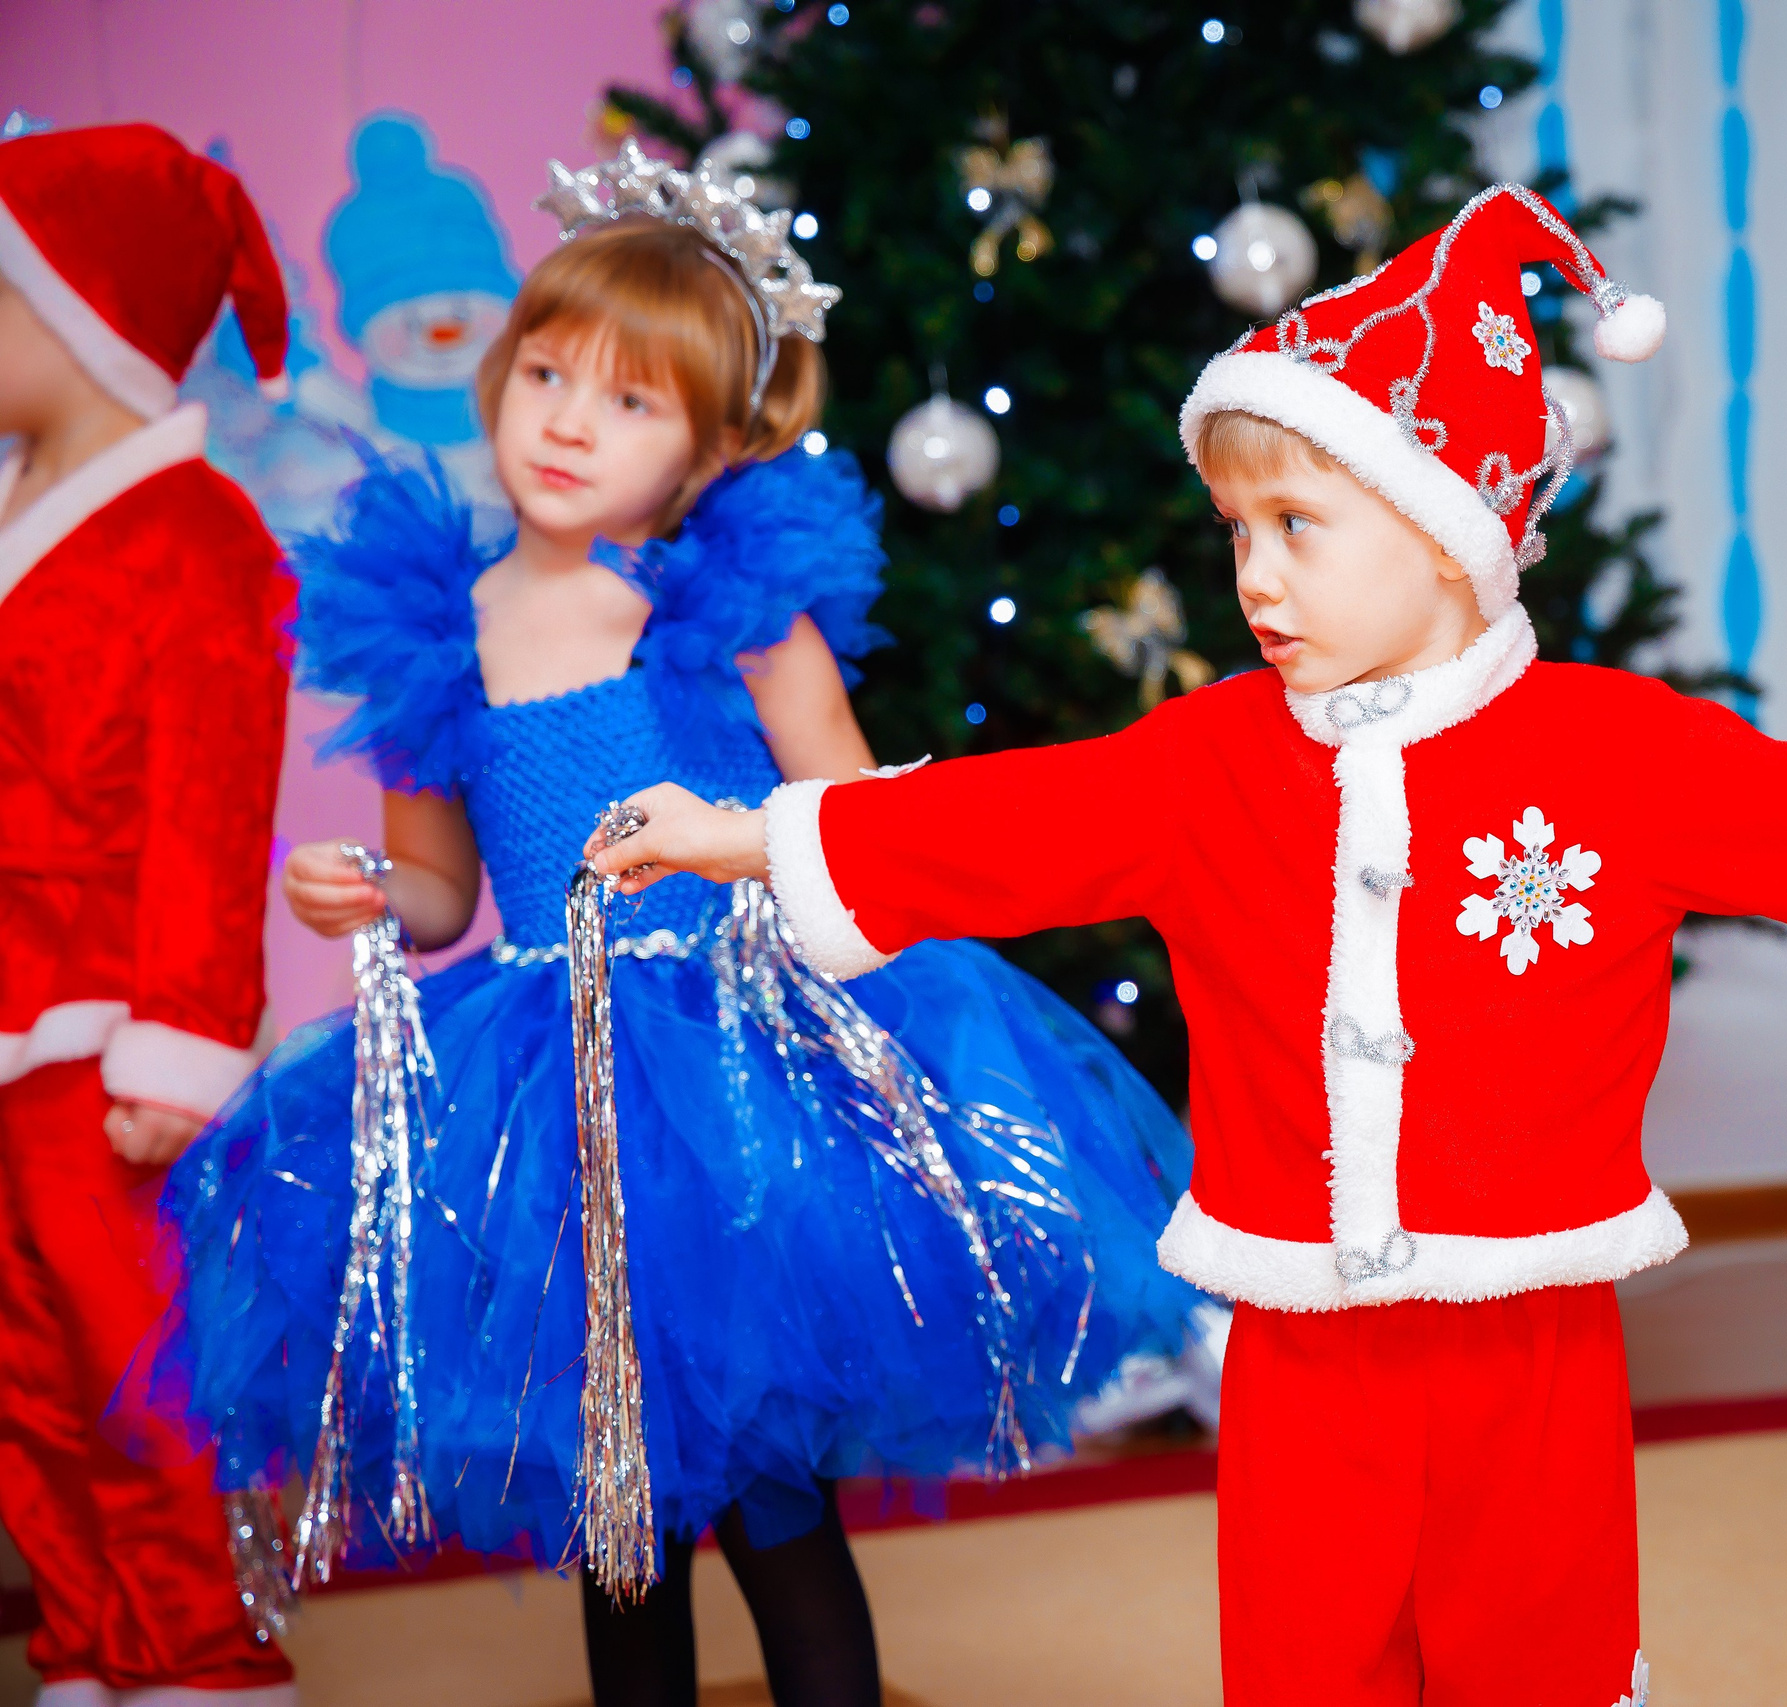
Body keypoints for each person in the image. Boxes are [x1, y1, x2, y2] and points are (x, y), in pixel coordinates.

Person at [589, 185, 1787, 1707]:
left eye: (1298, 529)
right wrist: (740, 834)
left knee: (1536, 1648)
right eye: (1237, 535)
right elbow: (997, 824)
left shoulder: (1615, 751)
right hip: (1297, 1343)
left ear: (1447, 537)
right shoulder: (1206, 758)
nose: (1254, 578)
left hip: (1529, 1340)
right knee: (1304, 1649)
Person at [138, 145, 1205, 1707]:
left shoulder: (720, 604)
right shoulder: (438, 631)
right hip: (544, 1101)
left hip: (738, 1072)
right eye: (549, 373)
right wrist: (371, 893)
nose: (568, 420)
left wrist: (760, 862)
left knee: (774, 1498)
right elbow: (441, 889)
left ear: (710, 447)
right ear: (497, 379)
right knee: (615, 1506)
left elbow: (854, 812)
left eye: (630, 401)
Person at [0, 123, 301, 1707]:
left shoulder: (192, 539)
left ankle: (199, 1654)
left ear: (89, 320)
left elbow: (210, 807)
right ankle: (86, 1646)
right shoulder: (22, 531)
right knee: (23, 1386)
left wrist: (180, 1045)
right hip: (8, 1025)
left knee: (139, 1380)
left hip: (109, 1039)